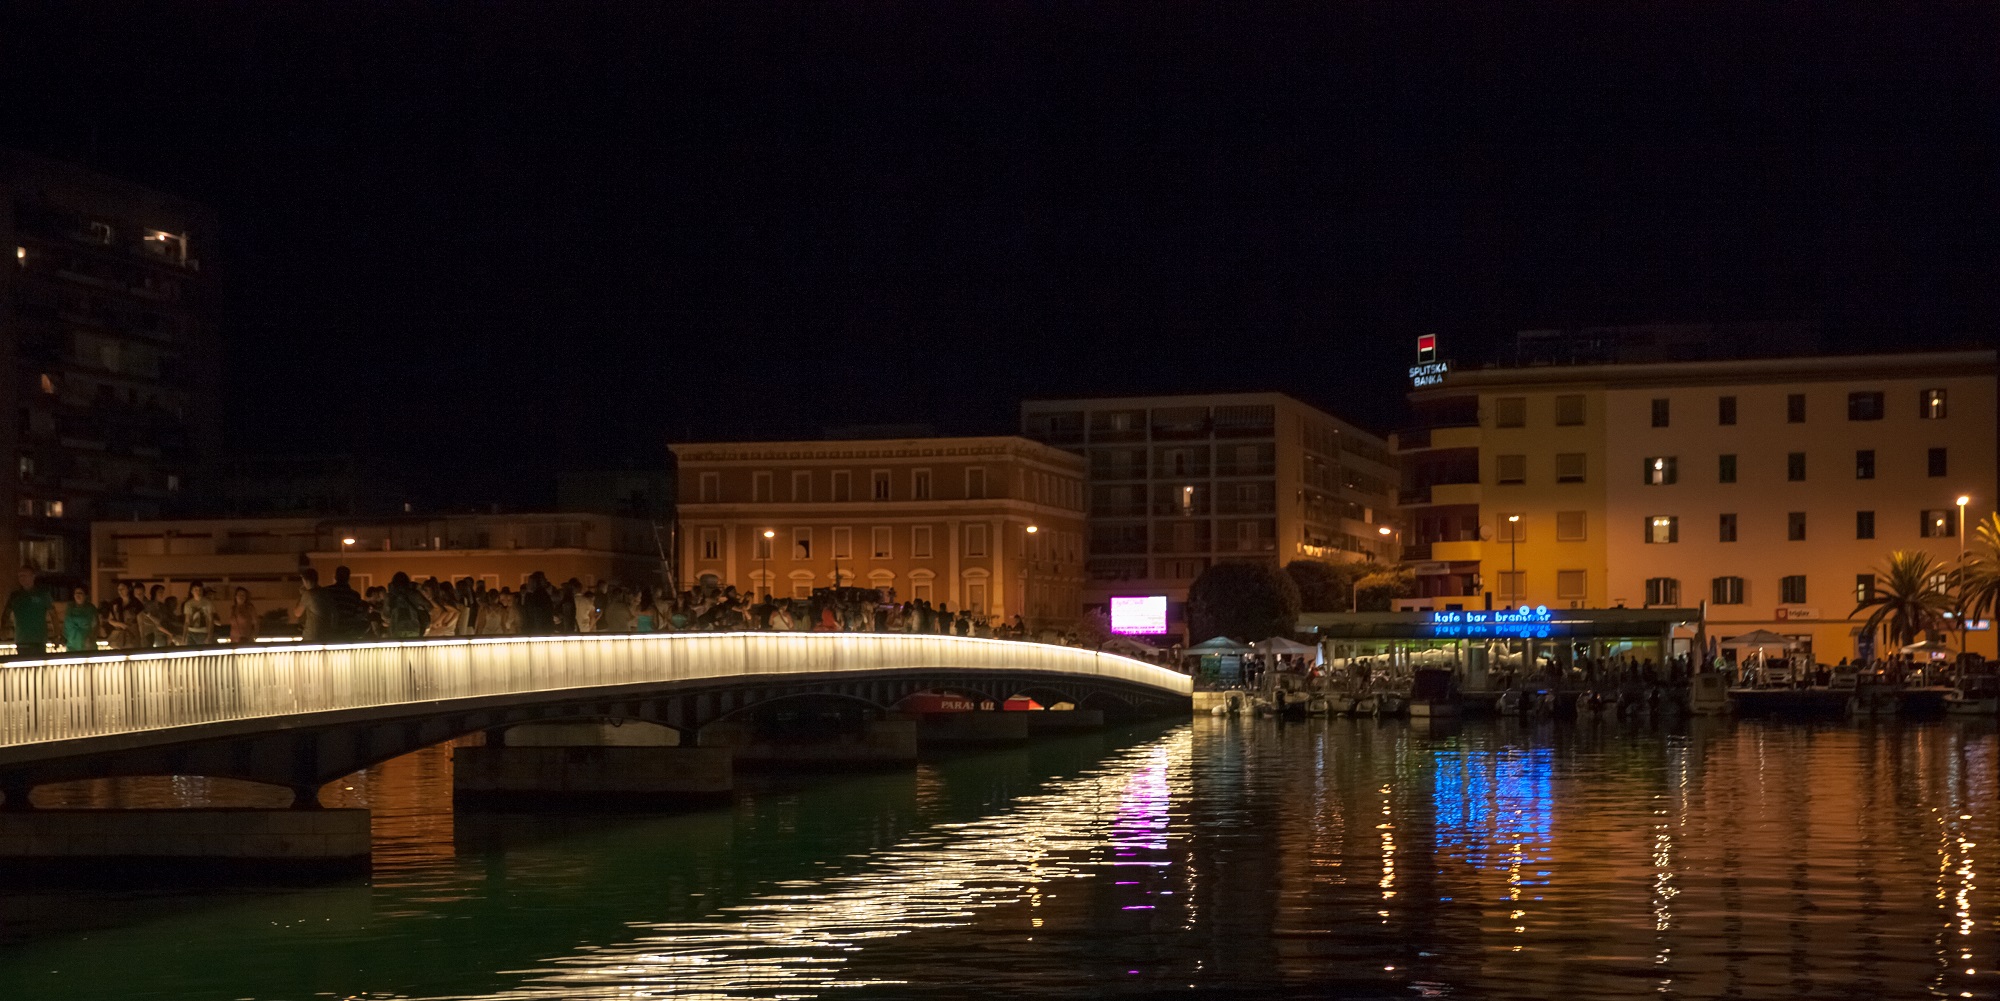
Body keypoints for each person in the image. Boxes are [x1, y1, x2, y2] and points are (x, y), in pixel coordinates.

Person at [4, 568, 51, 657]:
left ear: (33, 576)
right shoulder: (15, 596)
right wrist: (3, 629)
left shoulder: (42, 594)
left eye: (24, 575)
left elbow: (53, 614)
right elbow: (6, 614)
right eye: (20, 576)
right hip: (22, 640)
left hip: (39, 640)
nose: (22, 578)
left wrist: (56, 635)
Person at [385, 571, 431, 639]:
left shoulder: (390, 597)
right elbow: (428, 606)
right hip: (413, 627)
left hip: (396, 628)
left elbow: (385, 615)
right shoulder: (414, 594)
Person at [63, 586, 99, 653]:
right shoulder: (70, 607)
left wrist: (91, 638)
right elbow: (66, 624)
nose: (78, 595)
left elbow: (96, 625)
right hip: (72, 644)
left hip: (87, 644)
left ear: (85, 595)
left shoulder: (90, 609)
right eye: (76, 593)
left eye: (80, 593)